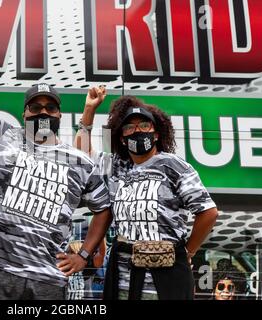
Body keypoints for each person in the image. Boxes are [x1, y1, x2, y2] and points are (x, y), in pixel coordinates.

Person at [0, 21, 112, 300]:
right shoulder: (0, 135)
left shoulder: (79, 161)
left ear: (59, 115)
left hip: (49, 276)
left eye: (50, 108)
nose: (43, 112)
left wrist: (84, 255)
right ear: (24, 113)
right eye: (36, 107)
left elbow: (104, 208)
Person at [74, 88, 218, 300]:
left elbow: (208, 212)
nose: (137, 131)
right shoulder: (117, 167)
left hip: (166, 279)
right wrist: (89, 109)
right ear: (122, 138)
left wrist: (188, 252)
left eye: (144, 125)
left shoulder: (173, 165)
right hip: (123, 279)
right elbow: (82, 153)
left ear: (156, 133)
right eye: (129, 127)